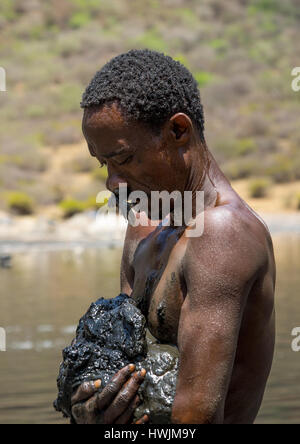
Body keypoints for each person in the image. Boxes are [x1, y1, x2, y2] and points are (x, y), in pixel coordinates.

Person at [70, 49, 276, 424]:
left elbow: (196, 418)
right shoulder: (143, 228)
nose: (112, 182)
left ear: (178, 131)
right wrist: (88, 408)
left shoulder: (223, 235)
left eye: (124, 159)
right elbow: (116, 367)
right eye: (104, 164)